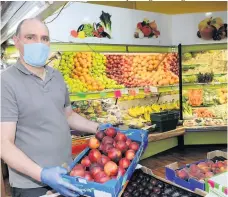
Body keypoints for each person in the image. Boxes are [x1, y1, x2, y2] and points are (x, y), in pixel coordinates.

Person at [1, 18, 103, 197]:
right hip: (31, 184)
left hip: (67, 172)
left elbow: (68, 115)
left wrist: (99, 128)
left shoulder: (57, 76)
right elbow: (4, 143)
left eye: (44, 38)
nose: (39, 43)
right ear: (16, 42)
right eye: (30, 37)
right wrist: (41, 174)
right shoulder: (6, 82)